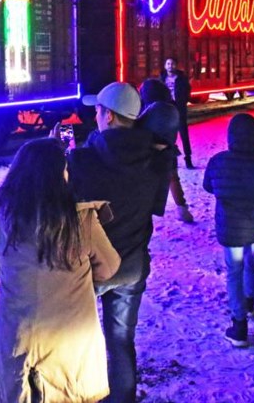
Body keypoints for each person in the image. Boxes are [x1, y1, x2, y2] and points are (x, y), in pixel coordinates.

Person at [0, 138, 121, 403]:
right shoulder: (80, 221)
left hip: (18, 334)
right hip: (69, 337)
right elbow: (109, 267)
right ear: (59, 176)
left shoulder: (1, 219)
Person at [65, 81, 173, 403]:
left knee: (78, 337)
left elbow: (66, 210)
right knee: (121, 339)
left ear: (109, 116)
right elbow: (156, 205)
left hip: (90, 267)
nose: (95, 116)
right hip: (132, 265)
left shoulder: (83, 160)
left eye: (97, 110)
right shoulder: (155, 159)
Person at [202, 113, 254, 347]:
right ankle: (250, 300)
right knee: (250, 259)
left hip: (229, 226)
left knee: (234, 270)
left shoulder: (217, 161)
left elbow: (208, 186)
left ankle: (239, 325)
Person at [138, 78, 194, 223]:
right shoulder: (171, 107)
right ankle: (183, 209)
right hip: (170, 149)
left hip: (153, 151)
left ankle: (144, 212)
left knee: (148, 182)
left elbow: (140, 124)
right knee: (174, 180)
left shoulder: (154, 108)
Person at [160, 57, 195, 168]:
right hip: (167, 109)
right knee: (167, 135)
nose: (170, 66)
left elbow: (187, 90)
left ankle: (188, 158)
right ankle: (168, 158)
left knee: (184, 134)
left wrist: (183, 100)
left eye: (172, 64)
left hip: (179, 109)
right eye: (168, 63)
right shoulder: (161, 79)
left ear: (176, 65)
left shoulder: (181, 78)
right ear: (165, 66)